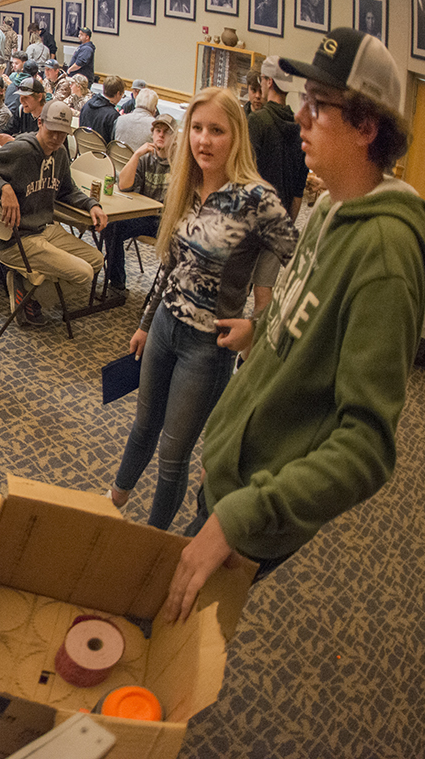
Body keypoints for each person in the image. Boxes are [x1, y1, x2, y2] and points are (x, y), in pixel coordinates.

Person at [162, 28, 425, 623]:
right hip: (235, 471)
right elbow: (306, 323)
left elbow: (366, 447)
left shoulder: (386, 252)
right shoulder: (331, 204)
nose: (299, 115)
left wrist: (238, 516)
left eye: (319, 104)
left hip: (259, 507)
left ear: (366, 127)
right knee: (167, 616)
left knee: (171, 627)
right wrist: (260, 331)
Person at [109, 90, 297, 529]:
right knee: (142, 427)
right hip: (162, 326)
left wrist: (260, 323)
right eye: (197, 128)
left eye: (217, 130)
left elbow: (310, 271)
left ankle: (151, 545)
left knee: (173, 455)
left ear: (237, 137)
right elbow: (171, 265)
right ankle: (109, 504)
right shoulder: (186, 183)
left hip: (206, 347)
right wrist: (143, 322)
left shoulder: (257, 199)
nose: (204, 140)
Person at [0, 101, 107, 326]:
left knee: (96, 261)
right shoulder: (21, 150)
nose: (56, 138)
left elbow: (67, 190)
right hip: (16, 239)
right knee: (83, 274)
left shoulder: (60, 153)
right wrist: (2, 187)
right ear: (40, 123)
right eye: (52, 131)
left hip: (45, 229)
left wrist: (91, 205)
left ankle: (26, 288)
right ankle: (29, 298)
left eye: (62, 134)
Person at [102, 115, 173, 289]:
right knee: (112, 227)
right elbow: (124, 186)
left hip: (168, 223)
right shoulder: (145, 159)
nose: (161, 135)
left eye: (166, 132)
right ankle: (117, 283)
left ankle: (163, 291)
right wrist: (136, 154)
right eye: (158, 131)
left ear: (174, 138)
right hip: (146, 217)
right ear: (152, 134)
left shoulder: (179, 163)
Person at [248, 56, 309, 220]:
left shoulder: (257, 121)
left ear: (269, 81)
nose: (260, 84)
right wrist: (286, 227)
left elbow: (246, 173)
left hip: (256, 220)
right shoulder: (300, 129)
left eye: (261, 79)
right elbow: (298, 192)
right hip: (282, 222)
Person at [79, 75, 125, 144]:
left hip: (83, 149)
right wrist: (119, 120)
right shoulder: (112, 115)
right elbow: (113, 142)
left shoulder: (87, 104)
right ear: (118, 93)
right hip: (101, 153)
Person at [114, 86, 160, 152]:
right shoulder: (155, 127)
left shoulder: (119, 120)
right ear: (155, 107)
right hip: (140, 162)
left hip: (116, 161)